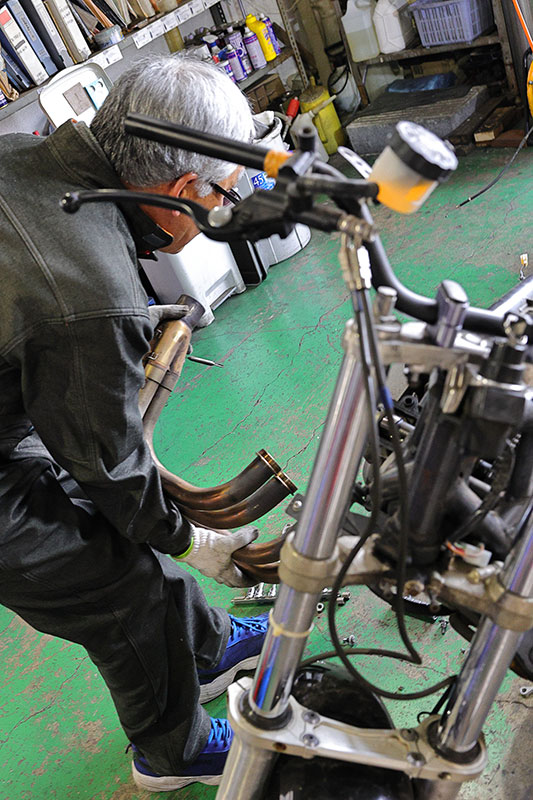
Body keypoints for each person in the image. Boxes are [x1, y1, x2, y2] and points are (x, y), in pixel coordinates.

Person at [0, 53, 270, 792]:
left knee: (116, 527)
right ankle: (171, 752)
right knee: (117, 586)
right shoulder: (89, 292)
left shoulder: (24, 156)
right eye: (223, 196)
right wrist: (192, 539)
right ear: (182, 191)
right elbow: (109, 463)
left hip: (8, 417)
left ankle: (206, 647)